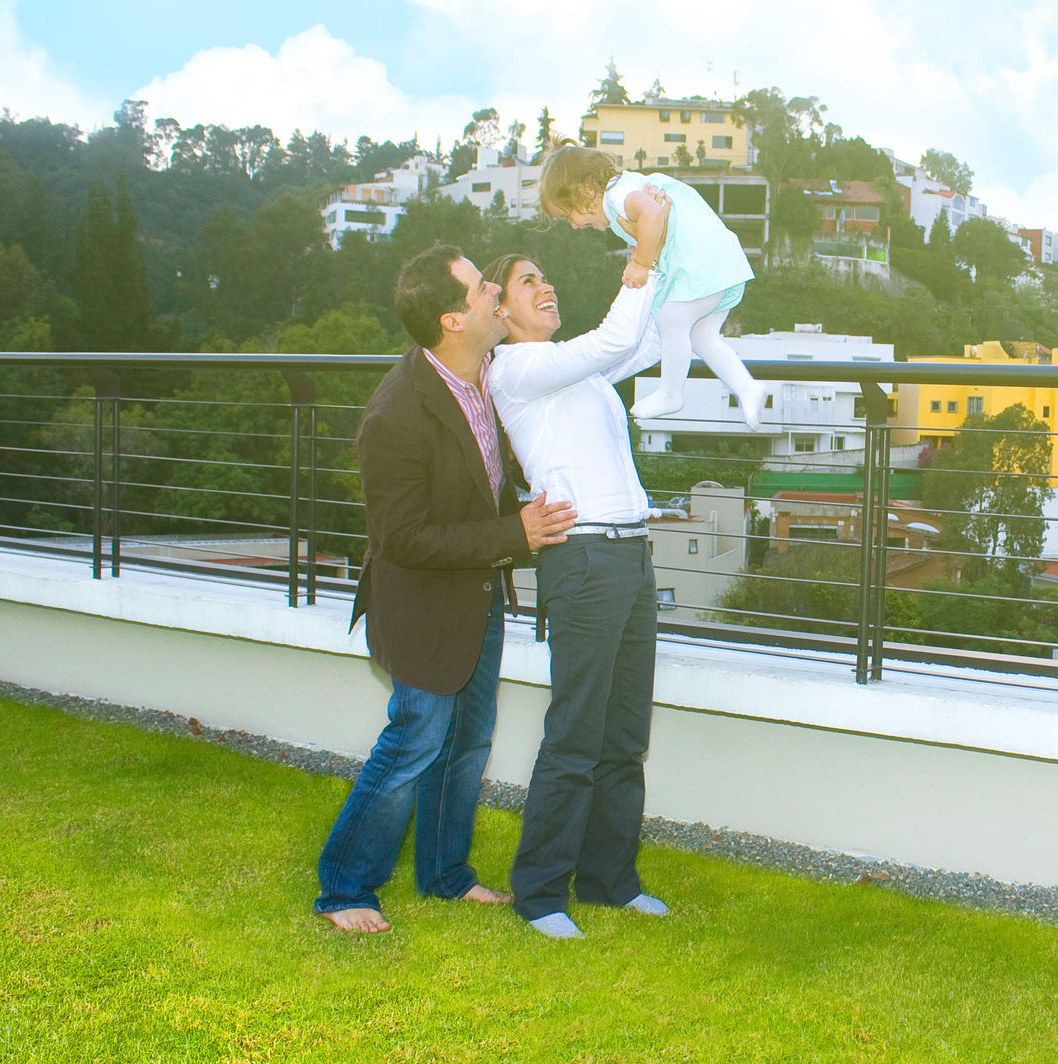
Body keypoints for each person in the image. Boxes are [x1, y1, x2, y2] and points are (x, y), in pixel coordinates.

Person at [314, 243, 578, 933]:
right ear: (451, 321)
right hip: (422, 609)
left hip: (476, 598)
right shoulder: (394, 416)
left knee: (467, 744)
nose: (495, 292)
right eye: (480, 288)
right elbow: (402, 539)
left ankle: (445, 876)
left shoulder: (490, 374)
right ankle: (344, 887)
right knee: (413, 743)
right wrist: (512, 536)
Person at [482, 251, 672, 940]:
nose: (547, 283)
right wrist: (640, 260)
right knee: (577, 733)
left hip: (629, 553)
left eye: (545, 273)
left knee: (624, 734)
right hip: (586, 559)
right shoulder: (516, 368)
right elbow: (617, 340)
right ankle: (539, 894)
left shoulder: (577, 372)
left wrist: (674, 275)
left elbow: (644, 341)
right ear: (500, 312)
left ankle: (609, 881)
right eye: (529, 281)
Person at [539, 145, 767, 428]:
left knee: (670, 318)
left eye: (567, 215)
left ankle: (671, 393)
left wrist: (640, 263)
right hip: (717, 262)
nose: (573, 225)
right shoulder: (629, 185)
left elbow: (652, 212)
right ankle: (746, 387)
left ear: (585, 192)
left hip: (698, 265)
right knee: (703, 338)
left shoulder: (617, 196)